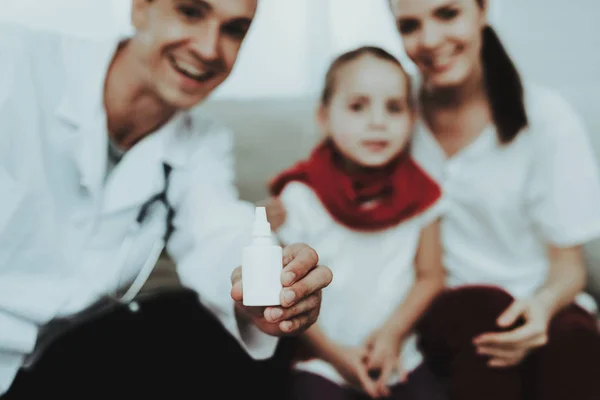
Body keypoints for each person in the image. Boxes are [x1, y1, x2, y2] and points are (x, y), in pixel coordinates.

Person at [267, 0, 600, 399]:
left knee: (573, 345)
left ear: (481, 10)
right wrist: (273, 210)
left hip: (539, 301)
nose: (429, 39)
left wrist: (543, 307)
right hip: (447, 314)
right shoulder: (393, 109)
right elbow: (332, 165)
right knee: (478, 314)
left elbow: (569, 266)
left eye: (447, 14)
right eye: (409, 25)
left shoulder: (545, 119)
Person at [0, 0, 333, 398]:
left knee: (183, 322)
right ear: (141, 7)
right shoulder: (14, 61)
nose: (210, 49)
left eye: (234, 29)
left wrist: (268, 282)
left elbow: (218, 231)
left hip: (49, 366)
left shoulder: (201, 142)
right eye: (191, 12)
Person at [265, 46, 448, 400]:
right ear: (323, 117)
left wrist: (392, 335)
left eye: (394, 108)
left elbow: (431, 276)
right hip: (323, 360)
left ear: (412, 119)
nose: (378, 121)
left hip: (400, 356)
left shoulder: (425, 194)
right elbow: (285, 293)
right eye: (357, 106)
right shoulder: (300, 198)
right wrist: (336, 356)